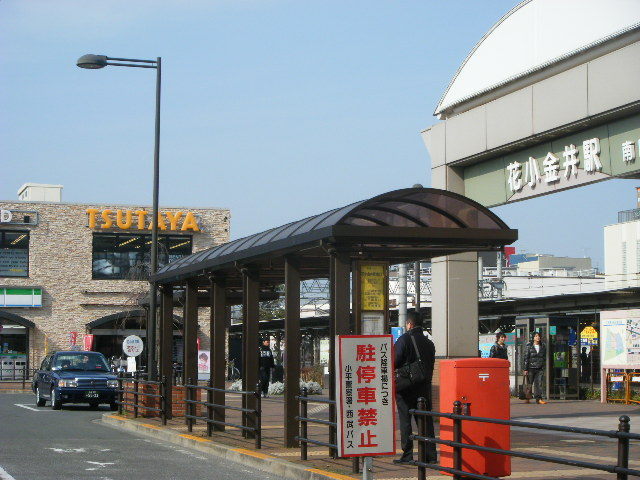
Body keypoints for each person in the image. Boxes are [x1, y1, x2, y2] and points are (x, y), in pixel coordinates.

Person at [393, 311, 437, 465]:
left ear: (409, 324)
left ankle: (407, 455)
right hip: (424, 387)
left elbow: (394, 360)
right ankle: (430, 455)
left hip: (405, 388)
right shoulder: (429, 343)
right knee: (425, 421)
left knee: (405, 421)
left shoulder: (403, 340)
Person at [522, 332, 547, 404]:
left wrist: (543, 365)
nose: (538, 337)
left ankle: (538, 399)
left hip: (540, 368)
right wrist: (525, 369)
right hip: (531, 368)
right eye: (536, 336)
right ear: (533, 338)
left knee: (539, 384)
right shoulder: (529, 346)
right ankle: (528, 398)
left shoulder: (543, 346)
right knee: (529, 384)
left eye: (539, 336)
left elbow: (544, 357)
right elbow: (526, 358)